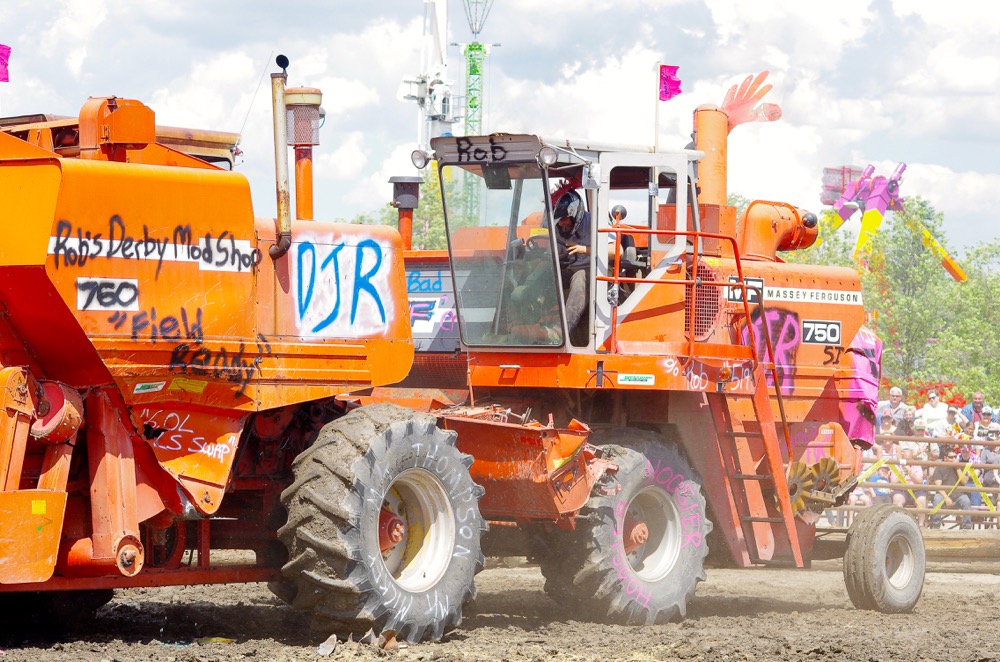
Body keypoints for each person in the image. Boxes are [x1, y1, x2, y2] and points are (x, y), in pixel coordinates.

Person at [553, 190, 590, 343]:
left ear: (576, 215)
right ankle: (519, 326)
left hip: (593, 270)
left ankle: (560, 333)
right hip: (569, 267)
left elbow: (617, 251)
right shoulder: (557, 228)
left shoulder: (594, 221)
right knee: (545, 272)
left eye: (564, 219)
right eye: (558, 220)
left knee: (580, 276)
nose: (561, 223)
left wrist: (584, 249)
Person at [929, 447, 972, 529]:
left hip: (958, 495)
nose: (954, 459)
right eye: (951, 457)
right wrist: (946, 498)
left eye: (955, 457)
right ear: (945, 458)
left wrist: (957, 468)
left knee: (966, 501)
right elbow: (938, 485)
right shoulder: (940, 467)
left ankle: (967, 527)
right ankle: (936, 526)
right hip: (943, 494)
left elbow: (964, 482)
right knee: (937, 499)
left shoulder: (960, 466)